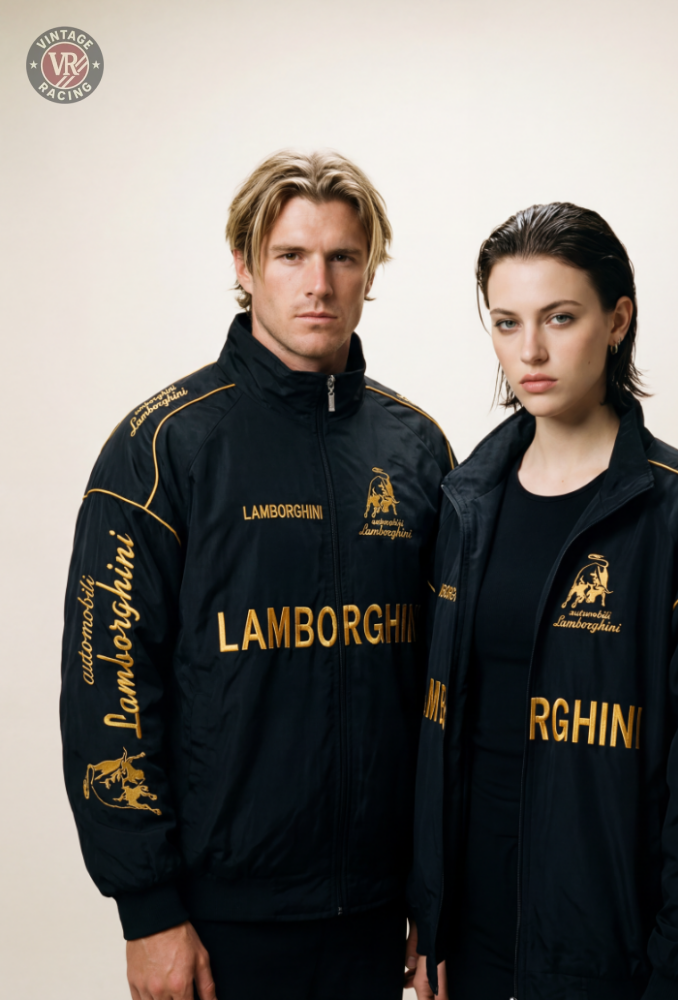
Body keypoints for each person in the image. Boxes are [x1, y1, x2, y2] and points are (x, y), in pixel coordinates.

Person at [60, 149, 454, 1000]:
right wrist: (149, 910)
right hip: (218, 920)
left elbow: (444, 685)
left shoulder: (416, 448)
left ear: (369, 271)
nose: (319, 283)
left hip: (378, 914)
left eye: (343, 257)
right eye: (290, 256)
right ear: (243, 266)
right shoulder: (162, 447)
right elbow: (108, 687)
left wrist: (438, 888)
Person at [406, 203, 678, 1000]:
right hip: (470, 948)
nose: (529, 350)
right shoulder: (463, 501)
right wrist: (428, 918)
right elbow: (439, 729)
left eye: (559, 317)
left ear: (617, 321)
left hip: (613, 961)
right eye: (506, 323)